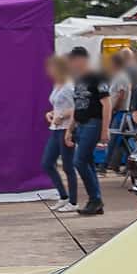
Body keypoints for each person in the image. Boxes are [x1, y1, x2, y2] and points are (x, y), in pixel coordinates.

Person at [64, 46, 110, 216]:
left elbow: (107, 104)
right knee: (87, 162)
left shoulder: (97, 77)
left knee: (80, 161)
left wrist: (105, 131)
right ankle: (96, 200)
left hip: (93, 122)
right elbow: (78, 105)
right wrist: (70, 129)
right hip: (82, 124)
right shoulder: (78, 79)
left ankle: (95, 199)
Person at [42, 55, 77, 211]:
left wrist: (62, 117)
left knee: (68, 166)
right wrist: (51, 113)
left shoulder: (69, 86)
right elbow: (58, 105)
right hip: (55, 129)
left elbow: (76, 108)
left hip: (65, 128)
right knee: (47, 163)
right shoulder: (58, 85)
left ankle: (73, 201)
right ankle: (63, 196)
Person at [103, 54, 133, 174]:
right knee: (123, 140)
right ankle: (122, 164)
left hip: (120, 111)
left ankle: (104, 165)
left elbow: (121, 95)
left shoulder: (121, 77)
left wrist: (114, 108)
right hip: (120, 111)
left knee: (114, 138)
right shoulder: (120, 76)